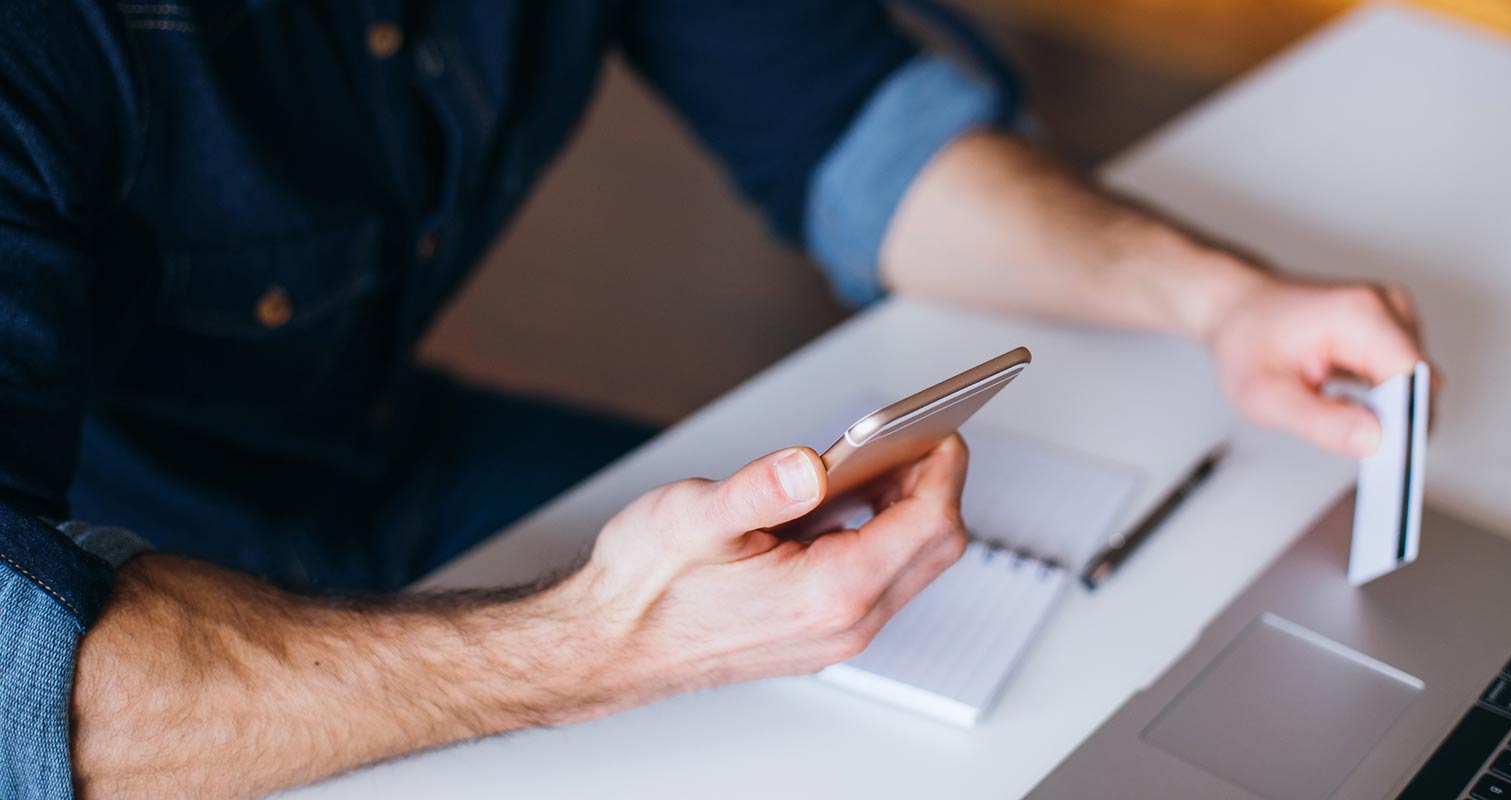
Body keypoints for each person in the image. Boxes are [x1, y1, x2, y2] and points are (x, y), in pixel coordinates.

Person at [0, 2, 1430, 798]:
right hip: (136, 638)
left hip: (375, 463)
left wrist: (1209, 295)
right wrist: (591, 648)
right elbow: (20, 682)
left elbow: (853, 125)